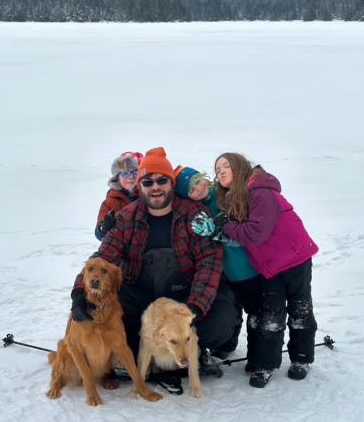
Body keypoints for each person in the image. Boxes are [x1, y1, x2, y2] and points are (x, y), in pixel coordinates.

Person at [72, 147, 239, 374]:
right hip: (141, 301)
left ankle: (192, 348)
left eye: (162, 180)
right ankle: (134, 350)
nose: (155, 187)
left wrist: (192, 309)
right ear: (139, 187)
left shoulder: (195, 215)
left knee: (220, 322)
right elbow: (103, 259)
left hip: (184, 298)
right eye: (148, 182)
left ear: (171, 184)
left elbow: (208, 261)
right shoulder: (125, 219)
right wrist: (79, 291)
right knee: (101, 312)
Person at [191, 153, 318, 388]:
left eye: (226, 166)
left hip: (294, 258)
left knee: (300, 310)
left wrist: (224, 226)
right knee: (270, 316)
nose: (221, 172)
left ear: (239, 166)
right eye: (217, 170)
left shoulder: (261, 192)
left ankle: (301, 358)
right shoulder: (232, 197)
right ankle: (264, 363)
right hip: (267, 266)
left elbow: (255, 232)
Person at [174, 166, 262, 366]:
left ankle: (258, 355)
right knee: (233, 308)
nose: (199, 188)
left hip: (245, 266)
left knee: (255, 312)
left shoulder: (222, 195)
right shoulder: (194, 210)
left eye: (198, 181)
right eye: (191, 190)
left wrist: (222, 227)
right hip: (224, 271)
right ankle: (226, 345)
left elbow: (244, 229)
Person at [95, 152, 143, 241]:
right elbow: (99, 235)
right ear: (117, 178)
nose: (131, 177)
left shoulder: (149, 198)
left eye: (135, 173)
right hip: (119, 249)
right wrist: (104, 227)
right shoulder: (109, 202)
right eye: (125, 174)